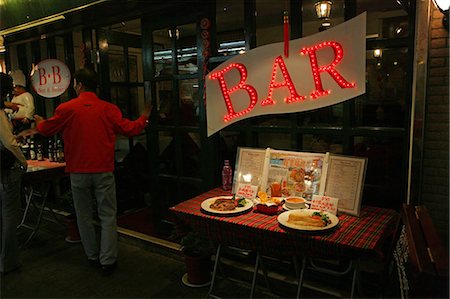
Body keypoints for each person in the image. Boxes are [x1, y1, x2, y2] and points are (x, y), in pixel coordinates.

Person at [25, 68, 151, 276]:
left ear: (79, 84)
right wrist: (144, 116)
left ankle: (92, 256)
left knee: (83, 216)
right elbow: (131, 129)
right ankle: (108, 261)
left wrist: (39, 121)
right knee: (108, 215)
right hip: (103, 170)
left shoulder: (67, 108)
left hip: (78, 172)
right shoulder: (108, 109)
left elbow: (46, 129)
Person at [0, 73, 28, 274]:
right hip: (6, 171)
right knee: (10, 214)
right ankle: (8, 262)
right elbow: (9, 142)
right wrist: (23, 161)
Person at [4, 70, 35, 134]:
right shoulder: (14, 98)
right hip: (14, 121)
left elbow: (31, 107)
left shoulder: (27, 95)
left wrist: (28, 117)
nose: (13, 91)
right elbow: (12, 108)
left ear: (21, 88)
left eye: (15, 88)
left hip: (24, 120)